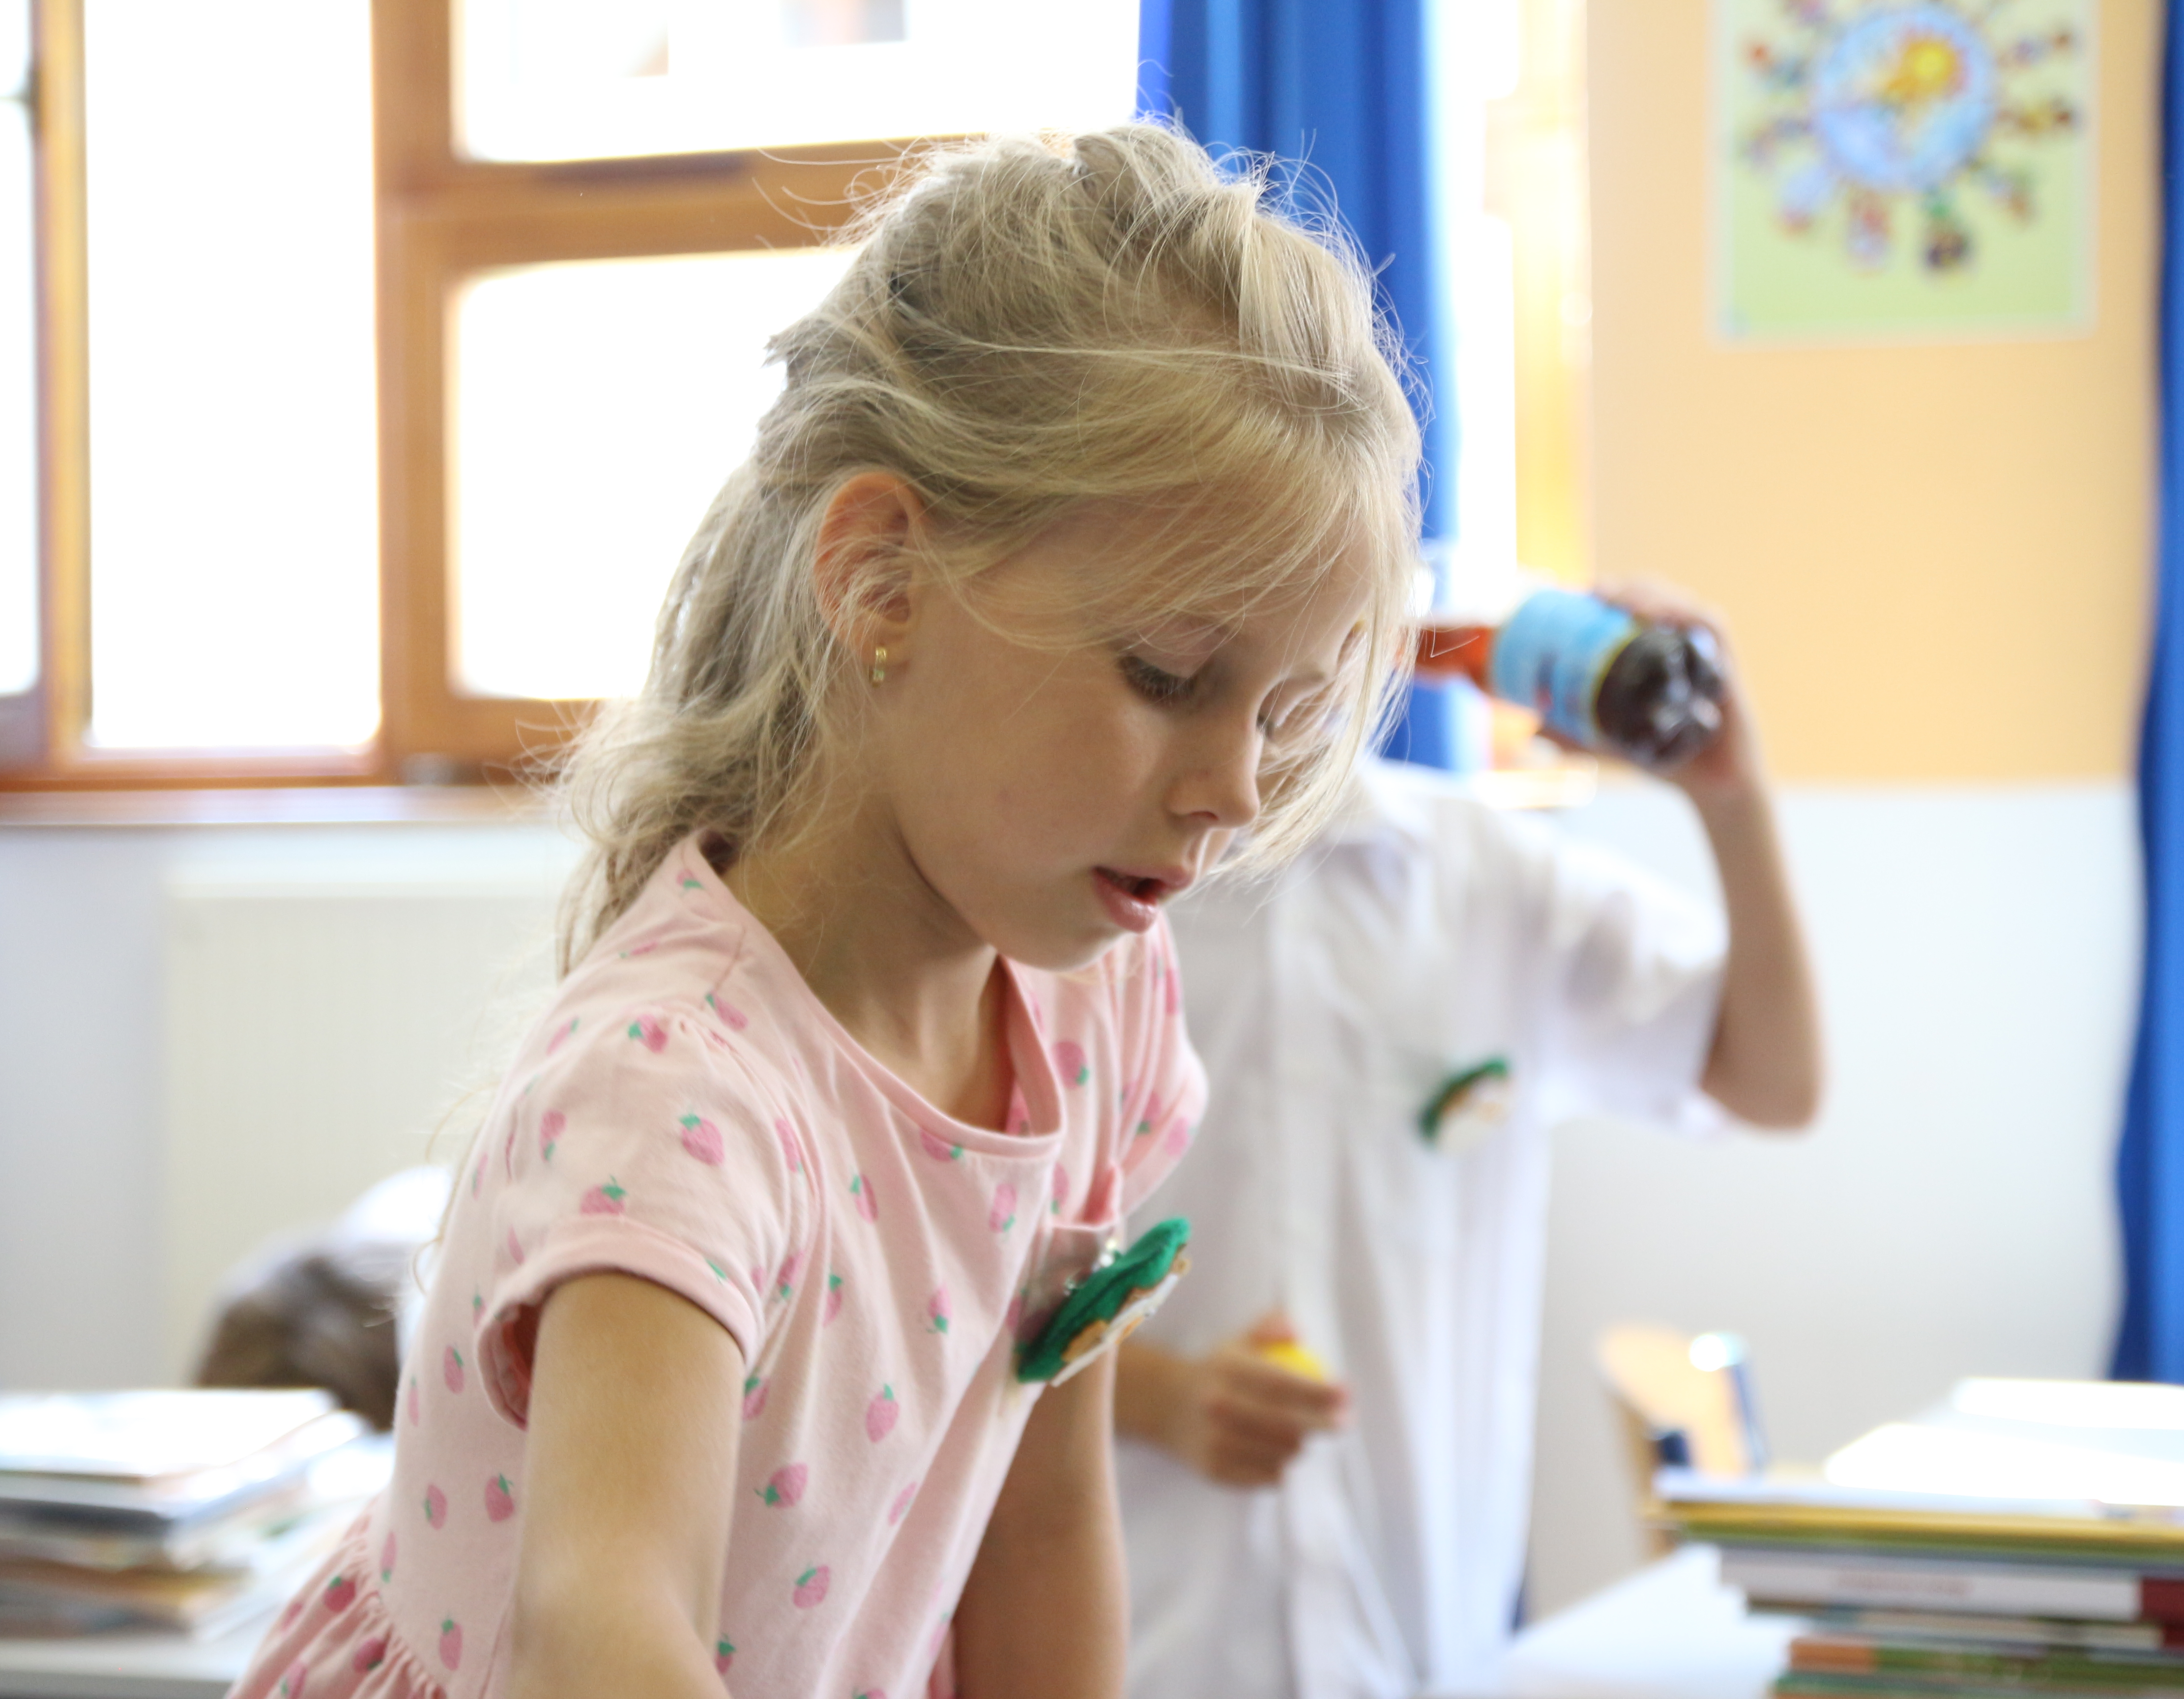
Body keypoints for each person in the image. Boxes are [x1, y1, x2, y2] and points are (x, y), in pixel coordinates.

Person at [231, 122, 1426, 1699]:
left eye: (1284, 717)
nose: (1236, 789)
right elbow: (601, 1631)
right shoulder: (680, 1090)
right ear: (881, 582)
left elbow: (1045, 1534)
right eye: (1168, 676)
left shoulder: (1096, 1006)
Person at [1112, 584, 1823, 1699]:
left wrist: (1729, 802)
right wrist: (1150, 1395)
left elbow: (1775, 1082)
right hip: (1146, 1638)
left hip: (1424, 1637)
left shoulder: (1486, 877)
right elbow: (954, 1276)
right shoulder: (1087, 900)